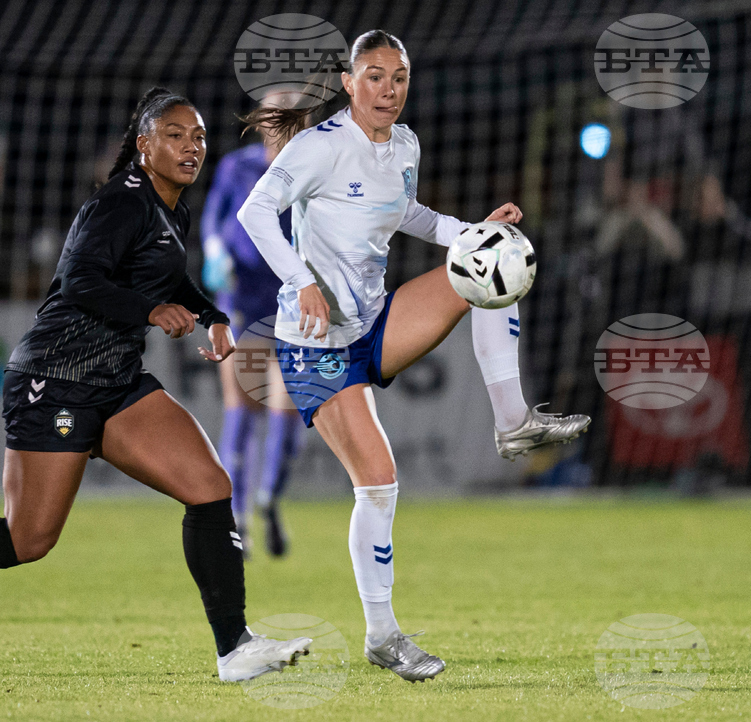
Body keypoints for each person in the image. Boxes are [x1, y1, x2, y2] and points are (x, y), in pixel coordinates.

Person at [0, 87, 310, 683]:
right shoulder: (119, 202)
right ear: (144, 144)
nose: (191, 147)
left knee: (208, 486)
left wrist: (211, 313)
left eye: (199, 137)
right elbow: (79, 282)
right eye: (175, 135)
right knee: (28, 539)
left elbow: (168, 278)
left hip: (116, 381)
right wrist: (150, 311)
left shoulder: (171, 208)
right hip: (55, 378)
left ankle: (235, 649)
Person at [237, 31, 590, 682]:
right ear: (349, 83)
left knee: (492, 262)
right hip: (316, 344)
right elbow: (254, 214)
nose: (388, 90)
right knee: (378, 482)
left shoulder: (404, 145)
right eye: (374, 76)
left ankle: (514, 422)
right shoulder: (320, 147)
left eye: (398, 77)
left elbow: (409, 215)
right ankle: (382, 636)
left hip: (374, 322)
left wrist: (471, 231)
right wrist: (301, 280)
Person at [200, 107, 303, 558]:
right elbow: (213, 218)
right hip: (243, 301)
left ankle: (269, 499)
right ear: (263, 125)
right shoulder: (236, 167)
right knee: (242, 409)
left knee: (288, 410)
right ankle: (238, 516)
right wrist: (214, 250)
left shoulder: (312, 171)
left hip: (293, 305)